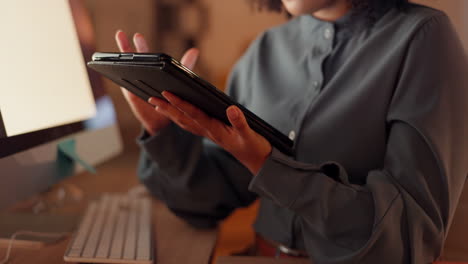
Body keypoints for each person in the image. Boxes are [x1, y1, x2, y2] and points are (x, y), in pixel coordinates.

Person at [115, 0, 468, 263]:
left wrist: (268, 164)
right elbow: (208, 202)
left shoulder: (424, 39)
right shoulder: (265, 50)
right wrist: (160, 127)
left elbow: (410, 240)